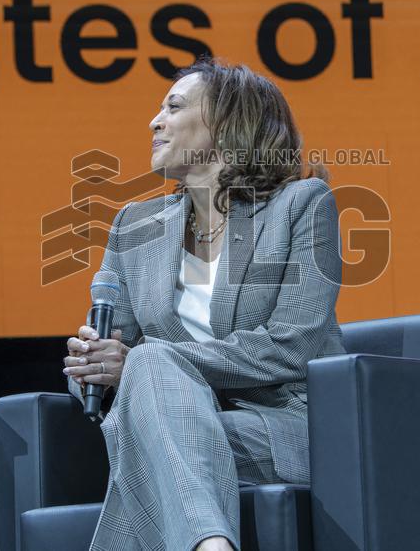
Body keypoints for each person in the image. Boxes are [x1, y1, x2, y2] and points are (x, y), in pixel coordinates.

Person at [62, 56, 345, 551]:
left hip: (283, 423)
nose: (154, 121)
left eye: (173, 106)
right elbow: (118, 351)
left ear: (228, 124)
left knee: (148, 398)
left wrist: (147, 361)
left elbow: (291, 346)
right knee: (151, 394)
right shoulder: (134, 224)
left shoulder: (301, 205)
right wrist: (93, 366)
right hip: (173, 415)